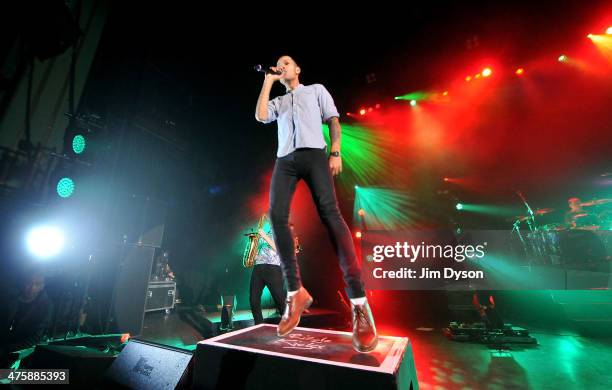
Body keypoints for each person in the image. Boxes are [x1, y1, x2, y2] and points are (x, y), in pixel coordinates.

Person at [255, 55, 377, 352]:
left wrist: (335, 151)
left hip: (314, 154)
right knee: (276, 216)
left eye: (287, 62)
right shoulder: (279, 102)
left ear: (297, 69)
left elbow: (334, 120)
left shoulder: (316, 90)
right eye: (278, 64)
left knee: (330, 215)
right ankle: (295, 292)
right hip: (285, 159)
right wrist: (268, 81)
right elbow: (260, 116)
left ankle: (359, 303)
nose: (281, 65)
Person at [249, 219, 300, 325]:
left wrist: (263, 235)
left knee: (280, 302)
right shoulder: (268, 231)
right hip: (258, 267)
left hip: (273, 269)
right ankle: (259, 326)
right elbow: (263, 249)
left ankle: (290, 325)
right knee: (253, 300)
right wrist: (254, 254)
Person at [0, 268, 53, 363]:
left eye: (37, 284)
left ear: (42, 286)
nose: (32, 287)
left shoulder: (45, 306)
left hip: (19, 353)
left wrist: (6, 350)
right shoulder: (10, 298)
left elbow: (35, 337)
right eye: (29, 283)